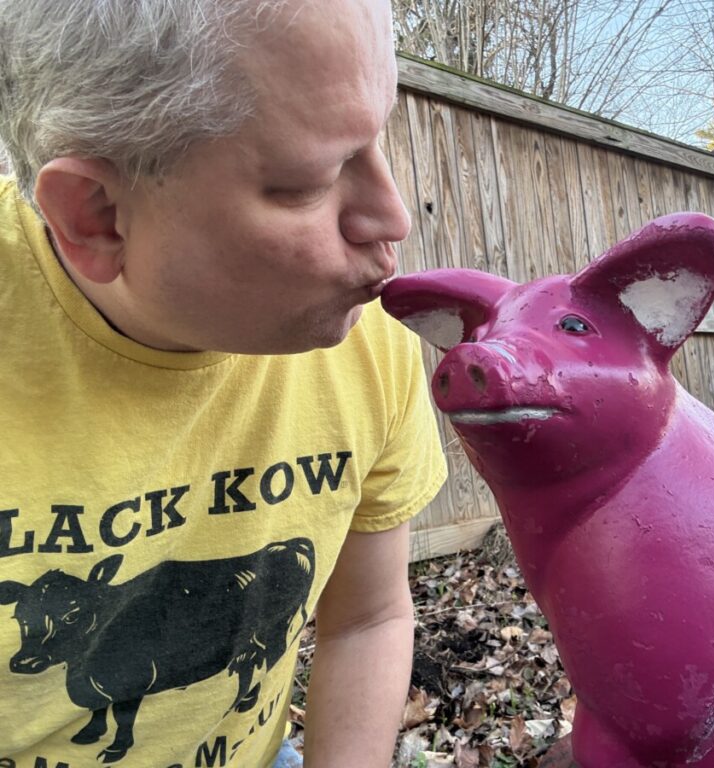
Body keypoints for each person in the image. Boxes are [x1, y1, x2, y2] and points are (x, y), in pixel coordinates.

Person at [0, 0, 447, 765]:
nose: (393, 216)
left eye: (379, 135)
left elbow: (367, 619)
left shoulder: (363, 342)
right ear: (98, 215)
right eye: (310, 181)